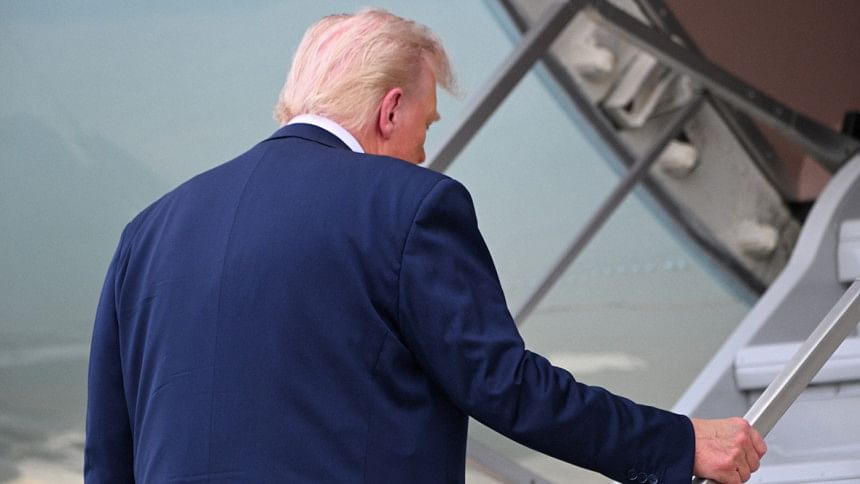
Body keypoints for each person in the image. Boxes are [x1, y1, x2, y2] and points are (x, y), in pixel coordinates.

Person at [85, 8, 766, 484]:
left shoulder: (147, 234)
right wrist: (676, 443)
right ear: (389, 109)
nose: (422, 151)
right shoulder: (409, 203)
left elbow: (109, 458)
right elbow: (505, 386)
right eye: (426, 123)